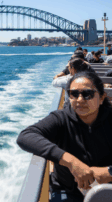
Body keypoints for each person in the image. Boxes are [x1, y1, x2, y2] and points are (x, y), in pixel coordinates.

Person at [17, 72, 112, 202]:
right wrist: (71, 162)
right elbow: (26, 136)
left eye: (87, 94)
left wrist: (109, 172)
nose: (79, 100)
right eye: (74, 94)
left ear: (101, 98)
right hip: (67, 192)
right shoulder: (61, 118)